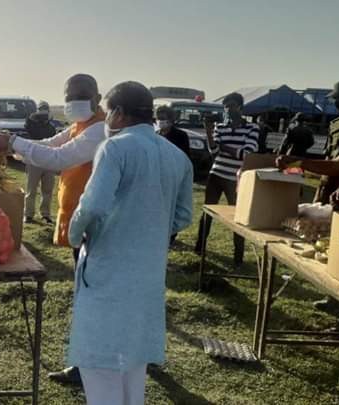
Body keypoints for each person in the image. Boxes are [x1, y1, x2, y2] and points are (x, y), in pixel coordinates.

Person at [67, 81, 193, 405]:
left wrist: (74, 232)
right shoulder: (178, 157)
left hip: (108, 269)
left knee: (100, 362)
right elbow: (182, 216)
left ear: (119, 114)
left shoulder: (116, 148)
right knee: (133, 362)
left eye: (108, 113)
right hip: (148, 272)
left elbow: (92, 206)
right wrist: (148, 229)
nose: (107, 120)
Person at [0, 73, 106, 385]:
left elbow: (58, 158)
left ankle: (87, 365)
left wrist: (11, 142)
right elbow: (47, 145)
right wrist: (9, 147)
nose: (73, 101)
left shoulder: (99, 130)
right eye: (69, 96)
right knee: (88, 293)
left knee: (92, 297)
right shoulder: (80, 127)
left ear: (98, 98)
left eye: (81, 95)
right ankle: (90, 361)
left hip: (96, 225)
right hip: (82, 223)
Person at [194, 92, 259, 268]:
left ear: (240, 107)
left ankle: (238, 257)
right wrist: (208, 130)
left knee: (238, 217)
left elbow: (247, 155)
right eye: (226, 106)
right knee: (207, 212)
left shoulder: (252, 128)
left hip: (236, 178)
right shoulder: (220, 127)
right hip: (217, 174)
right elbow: (214, 152)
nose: (228, 109)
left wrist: (223, 146)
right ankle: (199, 248)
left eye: (232, 105)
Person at [311, 79, 339, 329]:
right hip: (337, 185)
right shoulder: (337, 123)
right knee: (329, 242)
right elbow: (330, 157)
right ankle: (332, 295)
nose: (336, 102)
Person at [156, 105, 191, 245]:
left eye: (163, 118)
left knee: (173, 205)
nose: (160, 121)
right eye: (158, 118)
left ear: (171, 119)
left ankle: (171, 234)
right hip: (158, 176)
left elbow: (185, 157)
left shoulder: (180, 136)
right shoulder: (156, 135)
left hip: (173, 175)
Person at [23, 101, 57, 224]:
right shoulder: (32, 124)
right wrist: (33, 118)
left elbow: (54, 142)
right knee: (31, 190)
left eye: (45, 109)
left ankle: (45, 214)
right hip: (33, 161)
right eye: (41, 109)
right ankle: (28, 214)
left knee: (47, 190)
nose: (43, 111)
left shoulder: (51, 127)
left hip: (48, 162)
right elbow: (28, 128)